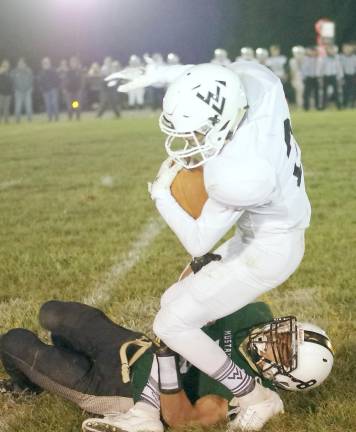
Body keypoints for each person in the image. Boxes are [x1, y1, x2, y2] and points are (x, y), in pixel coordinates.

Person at [107, 59, 312, 430]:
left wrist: (161, 193)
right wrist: (157, 74)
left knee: (171, 324)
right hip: (268, 230)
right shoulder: (258, 82)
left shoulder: (240, 172)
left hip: (268, 251)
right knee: (172, 302)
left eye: (198, 132)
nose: (192, 141)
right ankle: (146, 412)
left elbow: (198, 239)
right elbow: (214, 74)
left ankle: (256, 397)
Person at [0, 300, 333, 432]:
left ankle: (25, 386)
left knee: (14, 342)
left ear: (281, 377)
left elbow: (178, 418)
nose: (275, 339)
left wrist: (167, 363)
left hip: (117, 389)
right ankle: (59, 356)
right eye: (289, 334)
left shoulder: (240, 398)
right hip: (132, 345)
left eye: (283, 351)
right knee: (53, 314)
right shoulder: (254, 315)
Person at [318, 45, 343, 110]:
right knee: (324, 92)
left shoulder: (337, 58)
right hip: (326, 76)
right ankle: (323, 106)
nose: (331, 51)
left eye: (332, 50)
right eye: (329, 49)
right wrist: (320, 77)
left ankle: (339, 106)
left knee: (336, 92)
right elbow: (321, 68)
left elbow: (339, 68)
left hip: (334, 76)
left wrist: (340, 77)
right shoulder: (323, 58)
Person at [11, 58, 33, 123]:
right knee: (18, 106)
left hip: (27, 91)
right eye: (20, 63)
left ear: (25, 64)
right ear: (18, 64)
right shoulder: (14, 71)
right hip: (18, 91)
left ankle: (30, 119)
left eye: (22, 63)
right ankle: (17, 119)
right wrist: (14, 88)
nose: (21, 64)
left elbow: (31, 79)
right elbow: (11, 81)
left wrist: (31, 87)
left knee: (28, 105)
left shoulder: (29, 70)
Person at [37, 57, 60, 121]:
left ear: (49, 63)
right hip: (45, 91)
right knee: (48, 105)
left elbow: (57, 79)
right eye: (44, 63)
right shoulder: (41, 72)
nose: (45, 64)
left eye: (46, 62)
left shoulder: (53, 70)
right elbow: (39, 82)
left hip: (53, 90)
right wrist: (42, 89)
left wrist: (56, 87)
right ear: (42, 64)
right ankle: (49, 118)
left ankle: (56, 117)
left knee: (54, 103)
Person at [63, 56, 84, 120]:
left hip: (76, 91)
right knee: (69, 106)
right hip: (69, 91)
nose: (73, 63)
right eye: (72, 62)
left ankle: (77, 117)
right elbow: (65, 80)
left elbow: (82, 80)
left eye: (74, 62)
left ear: (76, 63)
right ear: (70, 63)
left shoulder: (79, 71)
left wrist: (81, 88)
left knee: (76, 105)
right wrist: (64, 89)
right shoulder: (68, 71)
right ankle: (70, 117)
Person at [339, 43, 356, 108]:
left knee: (353, 90)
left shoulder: (354, 57)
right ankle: (344, 104)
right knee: (344, 90)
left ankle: (352, 104)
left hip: (353, 75)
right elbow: (339, 67)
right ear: (343, 49)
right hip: (344, 75)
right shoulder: (340, 57)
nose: (347, 50)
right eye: (346, 49)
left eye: (349, 48)